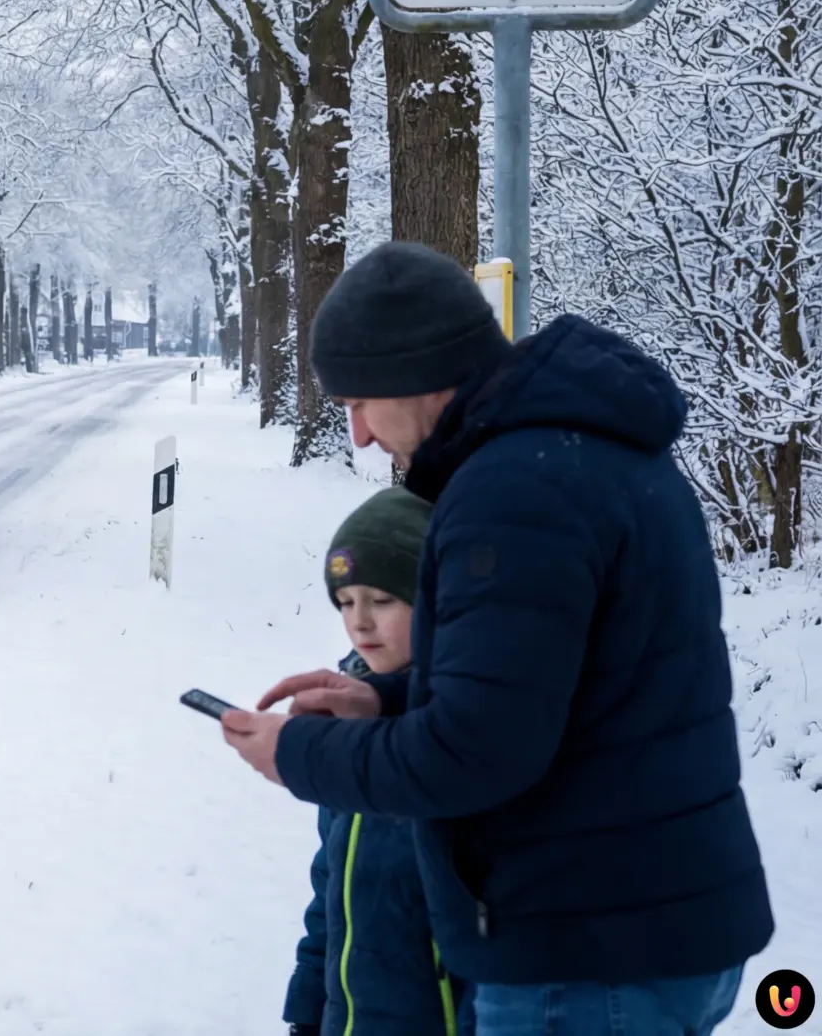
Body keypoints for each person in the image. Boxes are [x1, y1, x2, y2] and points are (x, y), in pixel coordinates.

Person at [220, 241, 771, 1035]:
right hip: (646, 925)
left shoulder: (514, 491)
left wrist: (295, 755)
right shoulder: (587, 454)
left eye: (362, 401)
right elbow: (560, 687)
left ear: (419, 372)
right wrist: (384, 697)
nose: (362, 435)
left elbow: (476, 752)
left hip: (584, 953)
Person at [282, 485, 470, 1036]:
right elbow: (331, 888)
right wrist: (309, 1010)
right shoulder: (349, 710)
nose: (359, 622)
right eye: (346, 602)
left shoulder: (474, 726)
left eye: (383, 600)